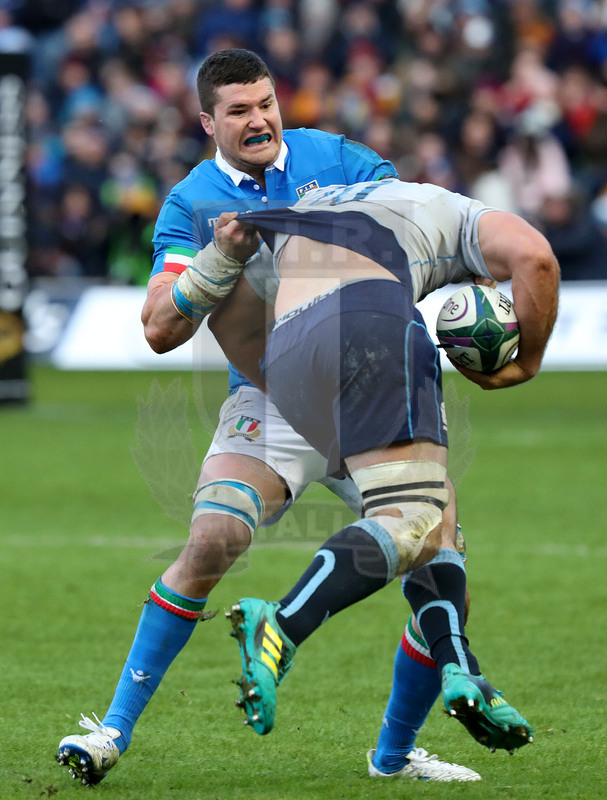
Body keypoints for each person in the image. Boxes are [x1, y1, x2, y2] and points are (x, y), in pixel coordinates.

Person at [55, 48, 478, 786]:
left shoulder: (336, 158)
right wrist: (220, 260)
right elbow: (158, 328)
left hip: (366, 392)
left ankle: (394, 756)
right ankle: (110, 732)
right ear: (207, 122)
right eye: (238, 111)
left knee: (438, 556)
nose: (258, 120)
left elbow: (412, 230)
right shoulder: (192, 204)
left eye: (265, 104)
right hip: (271, 398)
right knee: (212, 537)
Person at [214, 177, 559, 761]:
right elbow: (537, 259)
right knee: (413, 518)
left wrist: (297, 392)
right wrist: (525, 362)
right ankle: (283, 624)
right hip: (372, 318)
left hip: (288, 354)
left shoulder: (297, 213)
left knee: (435, 509)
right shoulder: (456, 212)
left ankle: (460, 668)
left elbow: (232, 322)